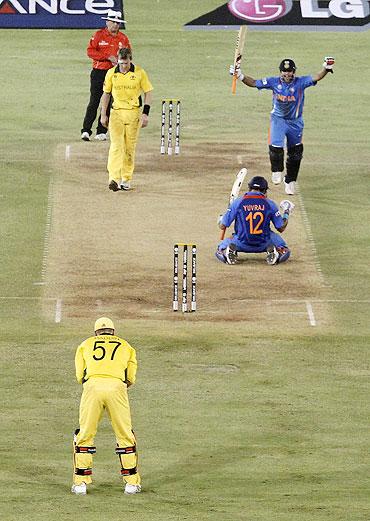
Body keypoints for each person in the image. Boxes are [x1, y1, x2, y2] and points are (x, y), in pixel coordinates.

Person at [230, 56, 335, 195]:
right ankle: (276, 170)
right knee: (276, 148)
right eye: (285, 71)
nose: (287, 74)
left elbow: (316, 77)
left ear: (294, 72)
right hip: (278, 120)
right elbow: (254, 83)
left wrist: (326, 69)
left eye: (290, 71)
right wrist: (240, 75)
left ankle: (290, 181)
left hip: (295, 122)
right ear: (280, 72)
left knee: (296, 153)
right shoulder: (273, 82)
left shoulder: (300, 82)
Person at [71, 317, 141, 495]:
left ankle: (80, 483)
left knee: (85, 434)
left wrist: (92, 382)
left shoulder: (85, 344)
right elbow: (131, 377)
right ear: (113, 332)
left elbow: (80, 374)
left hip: (93, 388)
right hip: (117, 388)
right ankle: (131, 483)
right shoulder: (126, 346)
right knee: (125, 434)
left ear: (96, 333)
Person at [100, 47, 153, 192]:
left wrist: (145, 113)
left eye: (126, 63)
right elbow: (106, 94)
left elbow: (148, 92)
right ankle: (114, 179)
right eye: (121, 63)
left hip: (133, 114)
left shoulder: (139, 73)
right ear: (118, 60)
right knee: (116, 146)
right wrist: (103, 114)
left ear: (131, 60)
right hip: (116, 113)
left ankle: (126, 179)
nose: (123, 67)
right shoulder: (111, 73)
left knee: (129, 148)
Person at [215, 176, 294, 266]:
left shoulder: (238, 202)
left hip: (240, 243)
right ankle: (276, 252)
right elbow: (281, 227)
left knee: (220, 249)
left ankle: (226, 252)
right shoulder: (270, 203)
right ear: (264, 191)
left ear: (249, 188)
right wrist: (286, 212)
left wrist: (221, 219)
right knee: (284, 249)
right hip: (265, 243)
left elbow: (222, 225)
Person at [80, 10, 131, 142]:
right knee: (94, 101)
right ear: (107, 22)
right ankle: (86, 130)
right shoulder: (99, 35)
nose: (115, 25)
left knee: (109, 102)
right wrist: (107, 57)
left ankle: (102, 131)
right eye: (113, 22)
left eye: (117, 23)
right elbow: (90, 51)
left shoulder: (123, 38)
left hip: (115, 74)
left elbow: (128, 55)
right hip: (99, 72)